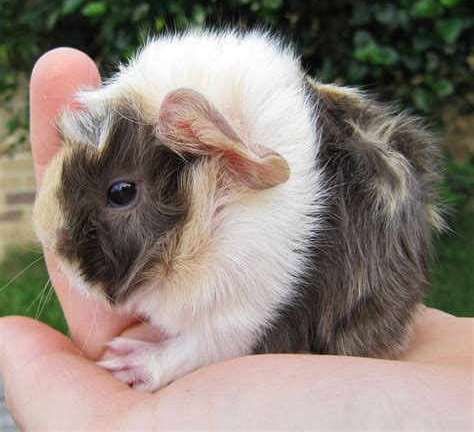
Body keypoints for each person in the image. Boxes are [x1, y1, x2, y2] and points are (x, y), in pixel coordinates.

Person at [0, 48, 472, 430]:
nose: (57, 241)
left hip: (356, 334)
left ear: (215, 157)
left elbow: (231, 326)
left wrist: (168, 362)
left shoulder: (259, 237)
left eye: (121, 193)